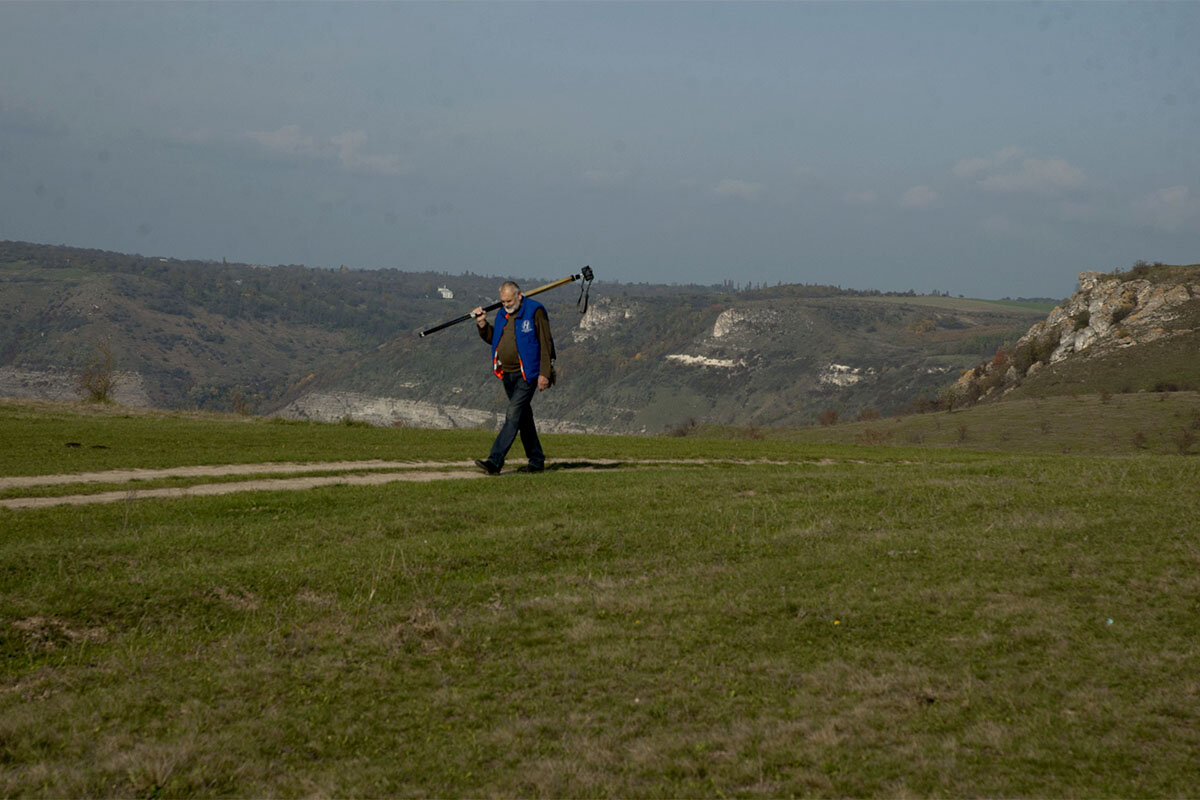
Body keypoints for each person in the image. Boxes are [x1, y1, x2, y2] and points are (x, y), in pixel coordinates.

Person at [472, 281, 555, 474]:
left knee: (512, 414)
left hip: (528, 374)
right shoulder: (502, 314)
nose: (506, 305)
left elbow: (546, 343)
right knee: (523, 418)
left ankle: (495, 461)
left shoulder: (535, 311)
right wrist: (483, 324)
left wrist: (545, 373)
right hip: (506, 374)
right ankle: (536, 460)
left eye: (509, 300)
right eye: (502, 301)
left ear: (519, 296)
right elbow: (495, 338)